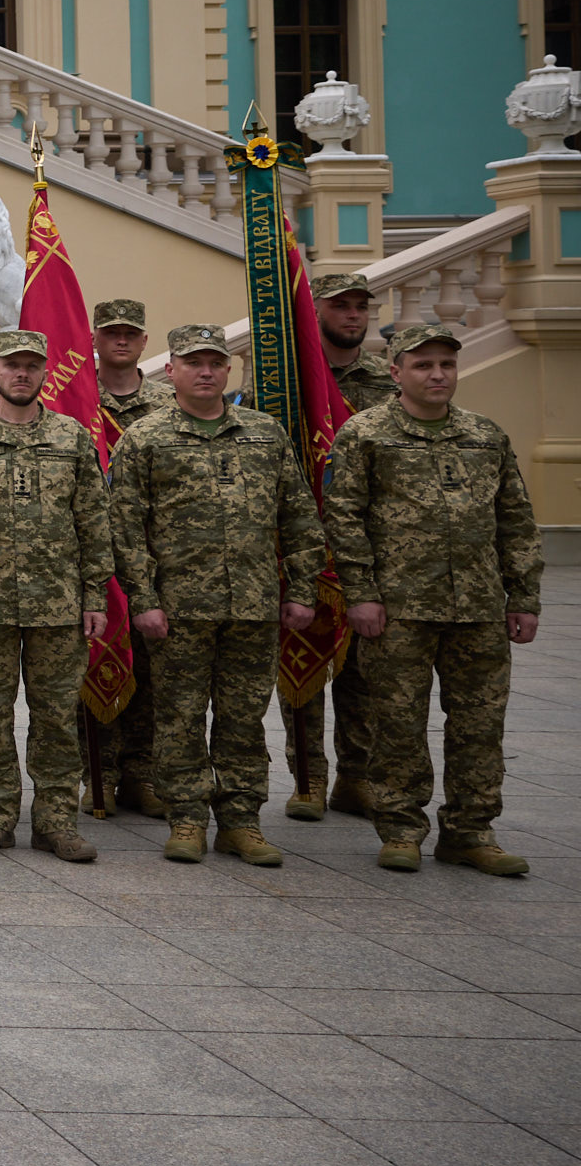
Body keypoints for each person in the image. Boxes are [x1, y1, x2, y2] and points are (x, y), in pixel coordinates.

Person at [324, 320, 543, 876]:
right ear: (396, 372)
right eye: (423, 365)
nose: (437, 374)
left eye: (446, 364)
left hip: (478, 606)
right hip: (399, 608)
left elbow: (514, 519)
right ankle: (401, 828)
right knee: (397, 723)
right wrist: (362, 594)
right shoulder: (366, 434)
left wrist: (524, 596)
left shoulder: (485, 435)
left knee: (479, 724)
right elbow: (344, 518)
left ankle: (470, 831)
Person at [109, 325, 325, 867]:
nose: (206, 371)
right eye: (193, 362)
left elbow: (298, 516)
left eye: (215, 362)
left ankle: (241, 822)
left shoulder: (264, 433)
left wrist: (300, 589)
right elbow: (126, 527)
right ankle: (186, 817)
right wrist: (143, 598)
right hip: (178, 609)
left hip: (253, 606)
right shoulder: (147, 437)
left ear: (228, 371)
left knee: (244, 718)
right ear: (171, 371)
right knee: (179, 715)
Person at [0, 328, 113, 863]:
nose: (22, 374)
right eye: (12, 365)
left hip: (58, 607)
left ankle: (57, 821)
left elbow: (93, 520)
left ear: (44, 372)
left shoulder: (72, 437)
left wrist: (95, 594)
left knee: (55, 717)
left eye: (32, 365)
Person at [304, 269, 396, 822]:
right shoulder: (292, 383)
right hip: (312, 546)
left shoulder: (390, 385)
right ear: (316, 311)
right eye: (342, 306)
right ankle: (307, 777)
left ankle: (355, 776)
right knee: (306, 663)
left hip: (374, 547)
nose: (354, 315)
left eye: (362, 306)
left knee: (365, 672)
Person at [93, 296, 175, 817]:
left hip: (157, 557)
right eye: (111, 333)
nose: (121, 340)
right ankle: (96, 772)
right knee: (95, 657)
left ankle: (142, 774)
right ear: (95, 341)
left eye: (131, 333)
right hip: (97, 555)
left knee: (151, 669)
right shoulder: (75, 401)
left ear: (145, 342)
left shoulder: (171, 403)